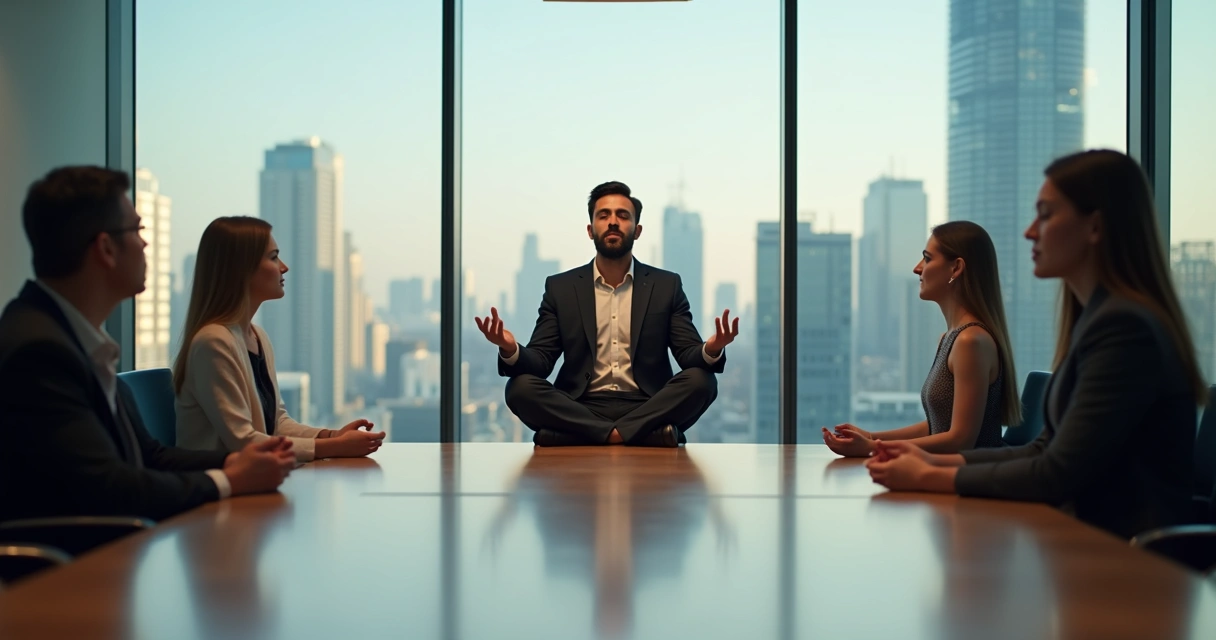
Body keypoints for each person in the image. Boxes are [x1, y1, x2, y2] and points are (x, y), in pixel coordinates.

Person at [866, 150, 1203, 539]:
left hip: (1125, 565)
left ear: (1094, 226)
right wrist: (928, 462)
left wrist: (928, 475)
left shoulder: (1125, 329)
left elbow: (1056, 473)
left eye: (1045, 214)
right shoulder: (1099, 322)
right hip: (1087, 548)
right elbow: (1043, 449)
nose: (1029, 231)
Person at [0, 166, 295, 523]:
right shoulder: (40, 353)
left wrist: (235, 462)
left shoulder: (76, 338)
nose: (145, 243)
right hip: (69, 569)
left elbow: (149, 456)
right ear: (106, 249)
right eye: (137, 231)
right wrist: (228, 480)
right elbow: (108, 488)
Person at [476, 181, 738, 447]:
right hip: (579, 405)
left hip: (647, 404)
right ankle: (638, 435)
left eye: (623, 216)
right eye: (604, 215)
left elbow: (687, 355)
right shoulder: (561, 288)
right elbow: (541, 361)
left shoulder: (666, 286)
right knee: (519, 388)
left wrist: (712, 348)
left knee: (702, 382)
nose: (613, 222)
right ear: (590, 230)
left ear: (637, 231)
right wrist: (510, 349)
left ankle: (576, 436)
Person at [174, 217, 385, 461]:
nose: (284, 267)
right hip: (219, 489)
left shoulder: (257, 337)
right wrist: (334, 448)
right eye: (273, 257)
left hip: (253, 482)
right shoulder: (213, 342)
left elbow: (277, 424)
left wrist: (332, 436)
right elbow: (244, 441)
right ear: (241, 269)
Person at [822, 221, 1021, 456]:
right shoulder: (951, 338)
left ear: (956, 269)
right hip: (951, 475)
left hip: (971, 482)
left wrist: (873, 448)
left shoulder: (971, 341)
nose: (918, 268)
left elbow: (961, 440)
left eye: (927, 259)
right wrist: (870, 437)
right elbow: (938, 427)